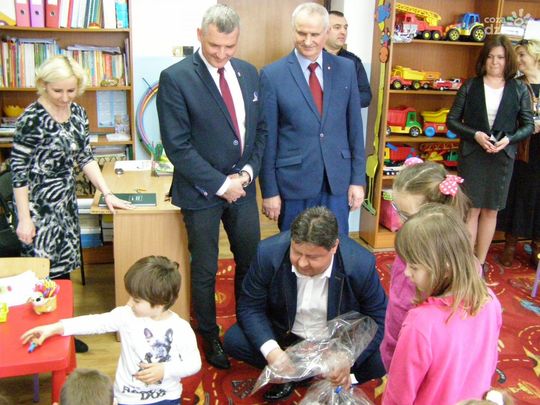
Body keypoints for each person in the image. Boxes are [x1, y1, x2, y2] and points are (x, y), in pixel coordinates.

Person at [156, 4, 265, 370]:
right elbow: (178, 146)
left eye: (229, 46)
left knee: (249, 261)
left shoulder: (249, 73)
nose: (221, 54)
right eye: (214, 45)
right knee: (204, 269)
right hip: (201, 192)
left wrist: (246, 175)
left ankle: (249, 327)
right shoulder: (176, 78)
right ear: (200, 35)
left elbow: (260, 132)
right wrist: (221, 185)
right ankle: (208, 335)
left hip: (243, 188)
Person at [11, 55, 132, 354]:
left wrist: (107, 192)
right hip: (37, 208)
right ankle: (39, 336)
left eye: (71, 90)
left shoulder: (77, 112)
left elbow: (85, 157)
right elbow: (18, 172)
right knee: (42, 277)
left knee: (63, 274)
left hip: (64, 204)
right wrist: (24, 219)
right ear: (43, 85)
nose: (65, 97)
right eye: (58, 91)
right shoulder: (31, 118)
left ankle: (61, 332)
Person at [224, 206, 387, 402]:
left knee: (381, 358)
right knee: (234, 340)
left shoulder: (360, 264)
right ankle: (301, 373)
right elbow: (249, 306)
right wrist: (272, 351)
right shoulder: (268, 253)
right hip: (286, 337)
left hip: (336, 343)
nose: (301, 263)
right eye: (297, 252)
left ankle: (315, 376)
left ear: (334, 247)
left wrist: (347, 357)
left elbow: (379, 317)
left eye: (312, 257)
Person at [21, 256, 201, 405]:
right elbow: (95, 323)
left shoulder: (181, 329)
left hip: (167, 399)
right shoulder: (126, 315)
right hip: (127, 398)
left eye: (136, 300)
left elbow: (194, 364)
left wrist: (165, 371)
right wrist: (55, 328)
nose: (129, 302)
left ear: (160, 303)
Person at [259, 2, 365, 234]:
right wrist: (269, 191)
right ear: (293, 30)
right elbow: (268, 139)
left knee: (336, 245)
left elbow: (355, 129)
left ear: (326, 33)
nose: (307, 41)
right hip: (294, 184)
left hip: (337, 182)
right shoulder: (272, 75)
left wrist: (358, 180)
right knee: (295, 246)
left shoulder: (346, 69)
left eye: (314, 34)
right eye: (301, 33)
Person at [383, 204, 502, 405]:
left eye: (414, 267)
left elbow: (399, 395)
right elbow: (490, 363)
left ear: (444, 269)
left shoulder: (420, 323)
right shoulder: (490, 300)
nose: (407, 272)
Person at [447, 34, 534, 272]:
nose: (495, 62)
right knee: (471, 210)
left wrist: (509, 139)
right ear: (483, 59)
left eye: (501, 57)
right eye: (491, 57)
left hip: (502, 157)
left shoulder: (519, 88)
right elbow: (451, 121)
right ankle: (466, 265)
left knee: (490, 210)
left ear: (509, 61)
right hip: (473, 155)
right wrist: (474, 134)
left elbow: (528, 125)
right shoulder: (470, 86)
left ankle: (480, 263)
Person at [380, 160, 471, 371]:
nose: (399, 221)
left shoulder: (429, 262)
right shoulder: (415, 243)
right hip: (405, 338)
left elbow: (404, 310)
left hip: (416, 346)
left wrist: (395, 349)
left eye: (406, 215)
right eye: (396, 209)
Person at [497, 39, 540, 268]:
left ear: (536, 56)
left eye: (522, 54)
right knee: (518, 194)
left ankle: (537, 246)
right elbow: (507, 116)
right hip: (523, 149)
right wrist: (527, 125)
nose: (518, 59)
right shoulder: (515, 85)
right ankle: (510, 244)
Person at [324, 10, 371, 108]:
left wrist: (344, 100)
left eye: (345, 28)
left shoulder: (353, 61)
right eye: (337, 27)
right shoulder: (312, 57)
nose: (343, 32)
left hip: (344, 116)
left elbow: (366, 96)